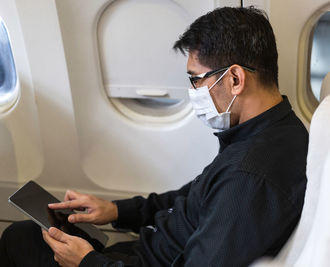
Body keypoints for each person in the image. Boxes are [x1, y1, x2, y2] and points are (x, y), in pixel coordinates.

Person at [0, 6, 308, 267]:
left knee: (18, 242)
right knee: (27, 233)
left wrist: (89, 262)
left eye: (195, 80)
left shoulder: (251, 176)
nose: (192, 92)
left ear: (235, 79)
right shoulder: (268, 131)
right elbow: (190, 199)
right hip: (142, 251)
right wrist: (117, 211)